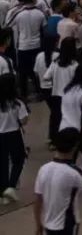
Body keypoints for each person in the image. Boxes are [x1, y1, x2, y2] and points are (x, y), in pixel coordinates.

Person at [0, 71, 29, 205]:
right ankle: (11, 186)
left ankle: (3, 193)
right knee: (19, 159)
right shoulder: (17, 103)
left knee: (2, 163)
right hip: (13, 134)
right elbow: (23, 120)